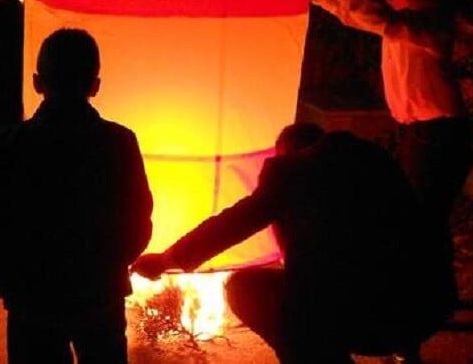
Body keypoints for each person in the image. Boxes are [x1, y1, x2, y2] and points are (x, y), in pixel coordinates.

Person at [132, 123, 453, 363]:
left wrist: (168, 259)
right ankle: (402, 348)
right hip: (426, 305)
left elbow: (236, 222)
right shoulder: (374, 161)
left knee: (245, 288)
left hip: (360, 313)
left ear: (286, 152)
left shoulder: (293, 171)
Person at [311, 0, 473, 335]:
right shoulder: (405, 24)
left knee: (421, 221)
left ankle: (425, 307)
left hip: (440, 135)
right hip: (418, 134)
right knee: (424, 221)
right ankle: (437, 301)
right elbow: (366, 17)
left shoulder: (434, 24)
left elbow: (380, 19)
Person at [0, 29, 153, 364]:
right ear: (95, 85)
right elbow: (139, 217)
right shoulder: (119, 142)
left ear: (38, 82)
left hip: (31, 297)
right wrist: (113, 264)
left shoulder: (11, 145)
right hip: (100, 292)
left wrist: (1, 275)